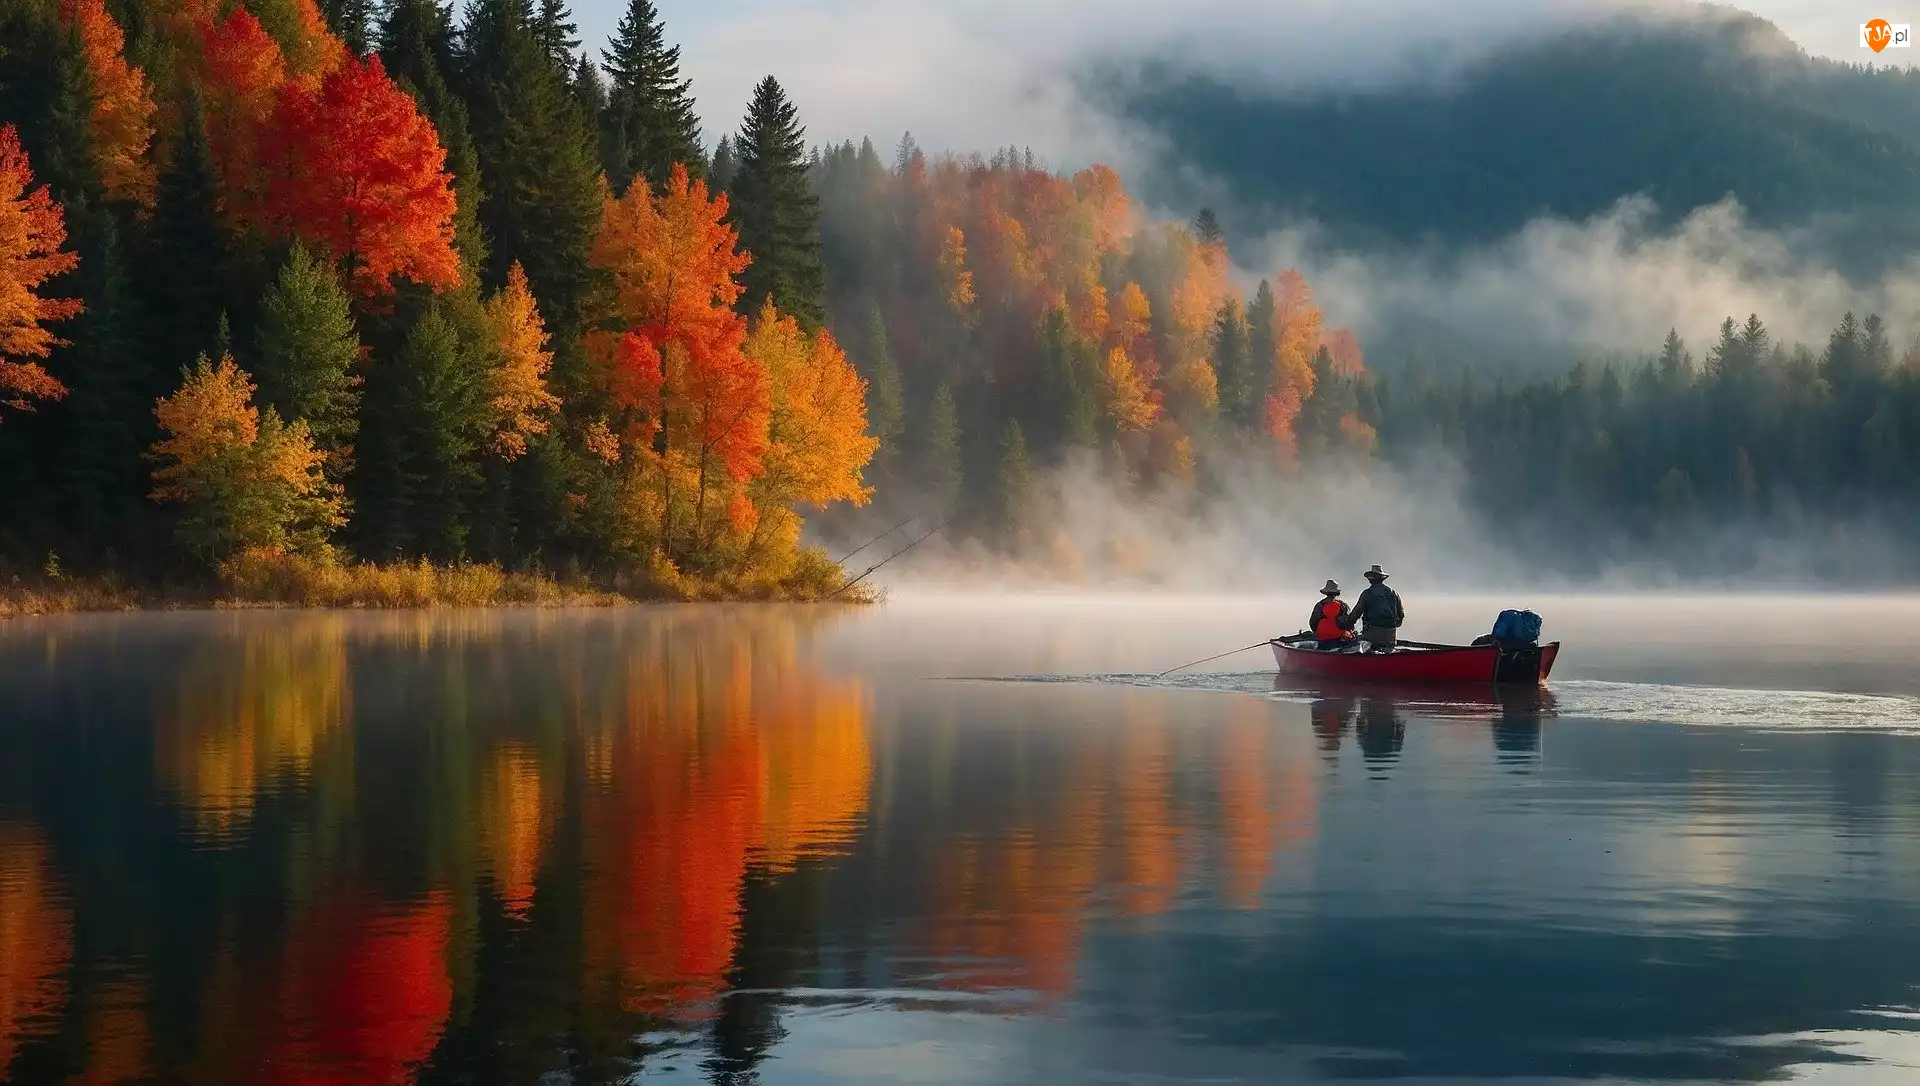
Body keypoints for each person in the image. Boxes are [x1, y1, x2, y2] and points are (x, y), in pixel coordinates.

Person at [1351, 564, 1404, 652]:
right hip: (1391, 637)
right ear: (1382, 579)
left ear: (1370, 579)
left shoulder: (1366, 594)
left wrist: (1347, 627)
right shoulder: (1394, 593)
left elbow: (1355, 615)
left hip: (1372, 637)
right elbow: (1400, 617)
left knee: (1357, 642)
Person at [1307, 580, 1357, 650]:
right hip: (1337, 639)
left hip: (1322, 640)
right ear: (1336, 593)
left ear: (1326, 593)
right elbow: (1348, 623)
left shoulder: (1319, 605)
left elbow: (1312, 623)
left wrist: (1318, 633)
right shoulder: (1343, 605)